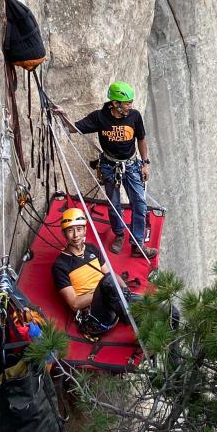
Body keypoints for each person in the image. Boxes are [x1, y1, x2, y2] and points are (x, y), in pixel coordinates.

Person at [70, 81, 158, 260]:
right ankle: (119, 234)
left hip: (132, 166)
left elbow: (141, 139)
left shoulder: (134, 116)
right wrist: (61, 117)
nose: (130, 106)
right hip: (110, 167)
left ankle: (138, 244)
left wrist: (145, 163)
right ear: (115, 103)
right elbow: (75, 128)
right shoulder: (100, 118)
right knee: (114, 204)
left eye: (130, 102)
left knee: (140, 204)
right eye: (127, 103)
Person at [52, 207, 130, 336]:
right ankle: (130, 314)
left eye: (79, 229)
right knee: (108, 284)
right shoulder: (60, 265)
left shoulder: (92, 249)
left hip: (112, 301)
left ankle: (130, 307)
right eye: (70, 231)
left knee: (172, 312)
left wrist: (125, 290)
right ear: (64, 234)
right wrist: (104, 292)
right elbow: (75, 303)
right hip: (94, 317)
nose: (76, 235)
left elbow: (110, 274)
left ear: (85, 230)